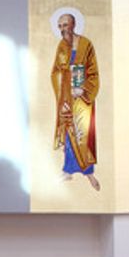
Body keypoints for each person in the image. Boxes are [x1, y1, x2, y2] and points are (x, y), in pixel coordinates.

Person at [51, 11, 100, 189]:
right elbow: (55, 71)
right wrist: (64, 84)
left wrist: (83, 88)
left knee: (84, 134)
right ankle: (68, 171)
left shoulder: (86, 44)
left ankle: (89, 173)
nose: (63, 30)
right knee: (68, 132)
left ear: (73, 25)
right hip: (67, 96)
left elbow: (93, 72)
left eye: (65, 25)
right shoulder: (61, 47)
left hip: (83, 98)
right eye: (60, 26)